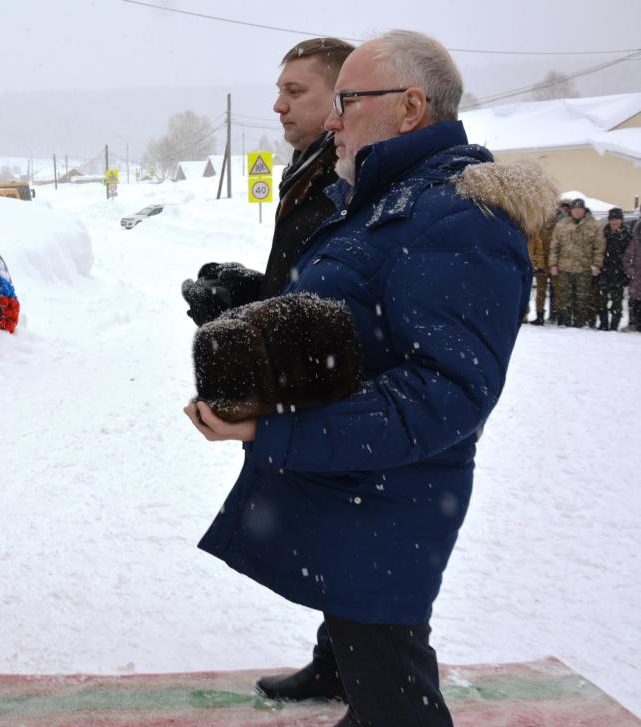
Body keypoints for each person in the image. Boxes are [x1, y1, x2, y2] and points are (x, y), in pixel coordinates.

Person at [185, 30, 554, 727]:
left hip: (388, 501)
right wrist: (251, 318)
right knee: (375, 670)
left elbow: (444, 395)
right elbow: (347, 320)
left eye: (345, 101)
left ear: (410, 107)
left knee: (395, 698)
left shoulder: (457, 216)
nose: (331, 121)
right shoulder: (387, 198)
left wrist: (273, 430)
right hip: (360, 492)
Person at [182, 37, 354, 324]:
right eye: (280, 91)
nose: (278, 106)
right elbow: (311, 295)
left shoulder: (351, 183)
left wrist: (246, 333)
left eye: (294, 92)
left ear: (343, 98)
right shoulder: (307, 173)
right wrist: (247, 295)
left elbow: (345, 326)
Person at [549, 198, 602, 328]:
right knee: (564, 296)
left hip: (584, 268)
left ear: (584, 210)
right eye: (575, 209)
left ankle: (580, 323)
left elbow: (599, 247)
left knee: (582, 297)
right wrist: (553, 264)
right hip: (564, 267)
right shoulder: (561, 225)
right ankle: (566, 322)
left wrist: (597, 264)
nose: (577, 211)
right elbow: (554, 246)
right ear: (571, 210)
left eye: (580, 209)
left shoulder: (594, 225)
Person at [595, 207, 630, 330]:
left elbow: (629, 255)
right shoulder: (603, 233)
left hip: (619, 273)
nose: (615, 222)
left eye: (617, 219)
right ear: (609, 220)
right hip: (604, 271)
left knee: (617, 302)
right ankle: (603, 323)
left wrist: (625, 271)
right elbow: (598, 250)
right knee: (601, 300)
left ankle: (614, 325)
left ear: (621, 220)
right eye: (612, 219)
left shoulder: (627, 234)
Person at [526, 213, 554, 325]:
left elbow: (539, 247)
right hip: (536, 264)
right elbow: (538, 247)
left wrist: (540, 265)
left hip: (551, 263)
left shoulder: (557, 226)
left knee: (556, 292)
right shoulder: (535, 227)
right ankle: (538, 315)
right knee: (539, 291)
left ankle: (556, 315)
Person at [624, 221, 641, 330]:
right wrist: (631, 272)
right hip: (636, 278)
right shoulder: (635, 242)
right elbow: (627, 258)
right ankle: (633, 323)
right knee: (634, 301)